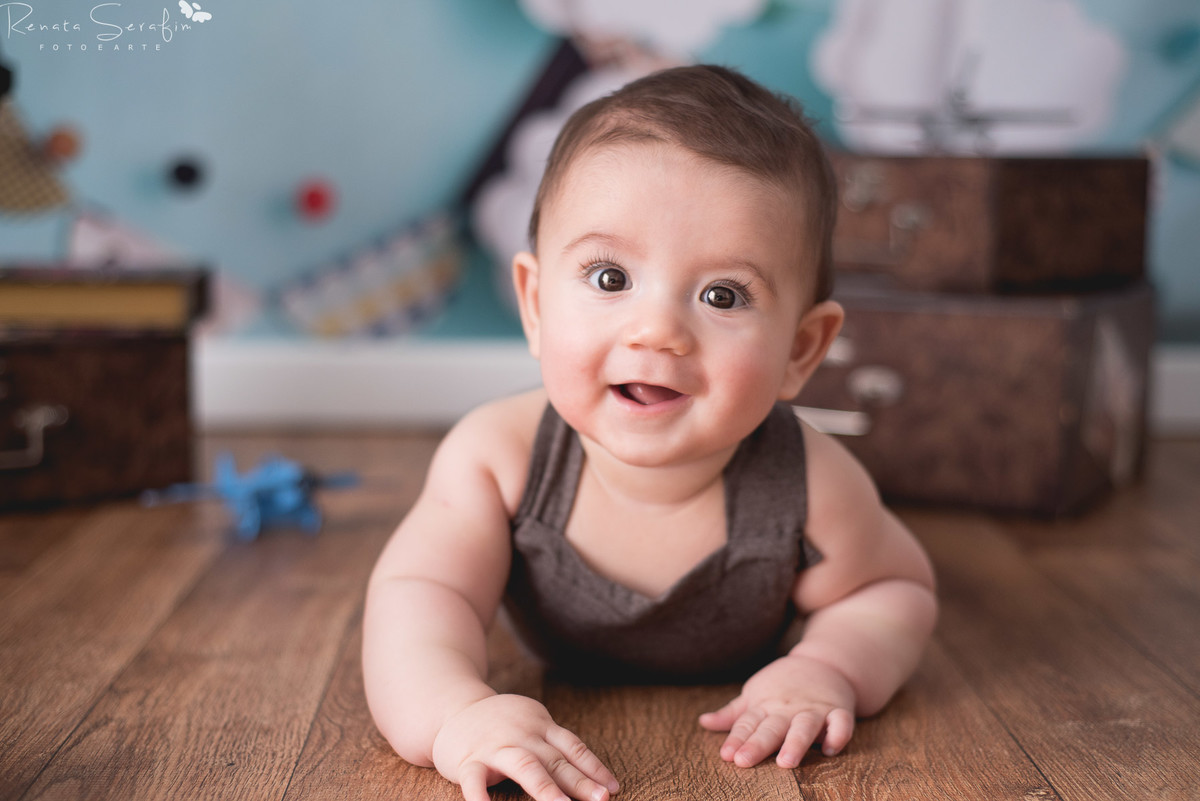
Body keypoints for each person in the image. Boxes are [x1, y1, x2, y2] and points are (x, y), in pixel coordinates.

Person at [362, 64, 938, 801]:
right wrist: (456, 713)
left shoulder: (811, 482)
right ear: (536, 305)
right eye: (609, 278)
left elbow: (894, 587)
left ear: (800, 350)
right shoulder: (497, 459)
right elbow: (419, 594)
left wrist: (830, 664)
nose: (658, 330)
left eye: (722, 294)